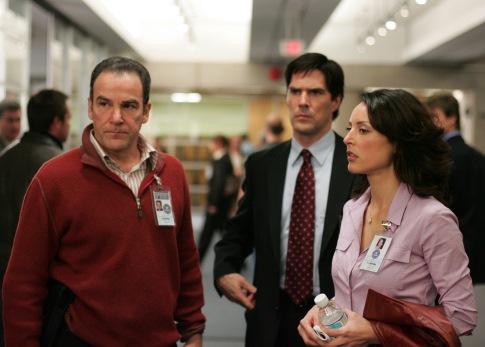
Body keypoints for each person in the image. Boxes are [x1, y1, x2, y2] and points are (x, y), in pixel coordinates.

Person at [2, 56, 205, 346]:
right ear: (90, 107)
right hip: (83, 339)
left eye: (129, 105)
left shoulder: (171, 173)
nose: (116, 117)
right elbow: (23, 281)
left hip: (160, 340)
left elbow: (184, 259)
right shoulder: (55, 178)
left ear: (146, 111)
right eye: (105, 103)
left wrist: (194, 329)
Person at [298, 89, 477, 346]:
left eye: (363, 130)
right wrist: (324, 311)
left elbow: (462, 316)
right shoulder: (352, 209)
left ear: (397, 142)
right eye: (350, 128)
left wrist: (376, 332)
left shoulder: (432, 219)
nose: (347, 138)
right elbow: (353, 294)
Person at [213, 52, 357, 347]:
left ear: (336, 101)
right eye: (295, 91)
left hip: (337, 318)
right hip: (271, 316)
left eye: (315, 92)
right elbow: (240, 229)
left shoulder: (356, 166)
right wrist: (224, 269)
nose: (303, 101)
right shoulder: (263, 164)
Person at [0, 89, 71, 346]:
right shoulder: (59, 169)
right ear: (56, 122)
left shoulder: (5, 158)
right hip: (43, 288)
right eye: (68, 118)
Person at [425, 91, 485, 346]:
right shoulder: (479, 157)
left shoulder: (442, 161)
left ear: (451, 118)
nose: (429, 124)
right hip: (479, 254)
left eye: (433, 117)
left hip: (451, 256)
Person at [197, 134, 236, 263]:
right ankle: (236, 256)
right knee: (224, 231)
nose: (210, 145)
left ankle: (196, 261)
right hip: (222, 204)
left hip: (217, 205)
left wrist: (213, 203)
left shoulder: (221, 160)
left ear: (218, 143)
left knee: (206, 234)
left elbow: (218, 184)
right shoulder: (223, 158)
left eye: (212, 142)